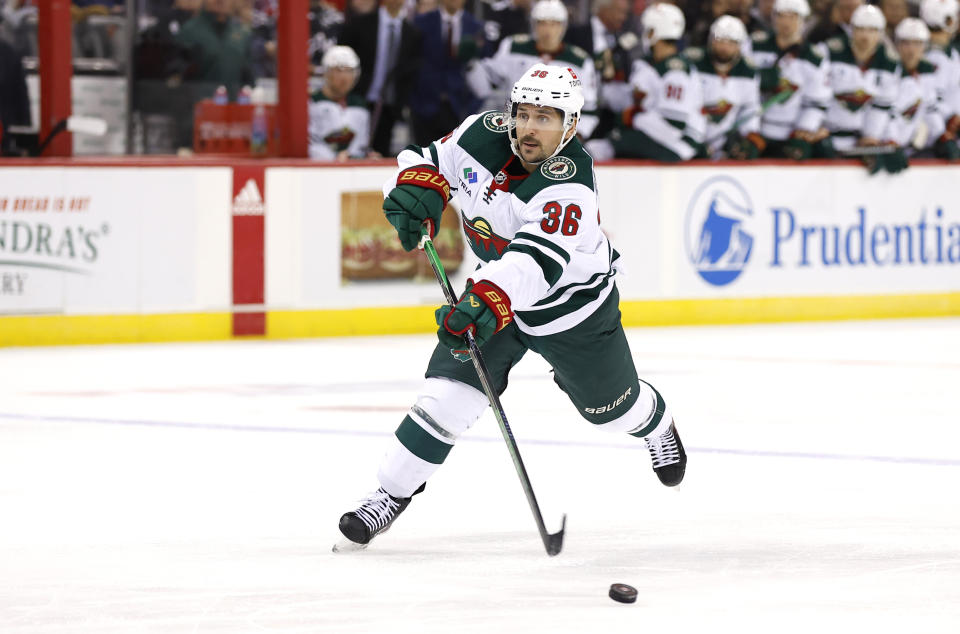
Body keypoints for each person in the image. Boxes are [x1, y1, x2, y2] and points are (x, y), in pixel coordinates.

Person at [335, 63, 687, 550]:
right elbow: (428, 157)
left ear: (571, 125)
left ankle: (657, 423)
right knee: (447, 395)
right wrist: (416, 185)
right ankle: (388, 495)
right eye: (523, 113)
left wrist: (486, 301)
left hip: (571, 310)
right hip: (494, 295)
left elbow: (534, 263)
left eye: (545, 118)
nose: (528, 127)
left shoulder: (570, 185)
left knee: (611, 409)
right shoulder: (483, 132)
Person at [585, 3, 706, 162]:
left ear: (654, 33)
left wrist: (633, 118)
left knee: (600, 148)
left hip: (677, 144)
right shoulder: (648, 64)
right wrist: (606, 78)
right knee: (599, 143)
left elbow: (673, 126)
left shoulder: (676, 72)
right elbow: (630, 99)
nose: (644, 35)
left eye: (648, 30)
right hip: (654, 134)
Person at [466, 0, 600, 138]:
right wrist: (471, 65)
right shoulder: (513, 46)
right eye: (542, 23)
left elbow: (589, 108)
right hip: (512, 128)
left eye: (554, 24)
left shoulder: (580, 61)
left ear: (563, 26)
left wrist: (576, 136)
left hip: (557, 134)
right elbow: (488, 78)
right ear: (533, 24)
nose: (548, 30)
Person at [820, 3, 902, 171]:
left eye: (872, 30)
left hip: (859, 142)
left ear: (880, 34)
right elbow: (817, 93)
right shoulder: (829, 51)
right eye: (861, 29)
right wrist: (814, 125)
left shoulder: (889, 62)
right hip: (825, 135)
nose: (865, 36)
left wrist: (871, 136)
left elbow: (882, 105)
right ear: (852, 30)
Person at [338, 0, 422, 156]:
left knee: (380, 153)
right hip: (358, 99)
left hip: (389, 107)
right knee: (349, 148)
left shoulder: (412, 33)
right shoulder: (360, 24)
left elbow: (410, 73)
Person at [750, 0, 831, 160]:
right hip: (758, 130)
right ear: (773, 18)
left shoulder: (814, 57)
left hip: (792, 132)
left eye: (793, 17)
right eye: (781, 16)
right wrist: (757, 80)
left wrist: (802, 131)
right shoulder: (754, 45)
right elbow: (740, 90)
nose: (786, 22)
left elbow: (817, 102)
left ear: (803, 20)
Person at [685, 15, 764, 159]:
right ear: (711, 40)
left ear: (740, 46)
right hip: (691, 141)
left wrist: (749, 137)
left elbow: (750, 108)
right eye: (720, 41)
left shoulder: (749, 72)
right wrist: (692, 137)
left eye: (731, 43)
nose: (724, 47)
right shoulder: (692, 64)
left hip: (723, 144)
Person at [409, 0, 483, 146]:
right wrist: (414, 102)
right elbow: (411, 62)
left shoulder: (475, 27)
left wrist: (470, 108)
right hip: (424, 105)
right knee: (424, 160)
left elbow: (481, 66)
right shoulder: (421, 22)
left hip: (459, 107)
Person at [565, 0, 641, 140]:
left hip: (608, 122)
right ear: (604, 9)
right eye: (620, 12)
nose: (623, 17)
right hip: (578, 111)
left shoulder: (621, 39)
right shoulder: (575, 34)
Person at [308, 45, 375, 160]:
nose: (344, 77)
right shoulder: (311, 102)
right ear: (326, 72)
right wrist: (333, 158)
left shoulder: (360, 105)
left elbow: (361, 145)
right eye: (338, 70)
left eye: (350, 71)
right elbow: (310, 144)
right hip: (319, 170)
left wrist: (366, 156)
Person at [919, 0, 960, 157]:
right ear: (949, 20)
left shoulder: (951, 53)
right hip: (936, 137)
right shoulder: (932, 57)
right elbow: (930, 99)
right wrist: (953, 118)